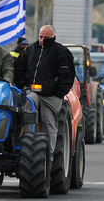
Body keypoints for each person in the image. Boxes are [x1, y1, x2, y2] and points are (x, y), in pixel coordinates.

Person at [14, 24, 75, 154]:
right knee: (28, 110)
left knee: (49, 124)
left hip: (50, 96)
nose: (42, 40)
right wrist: (23, 85)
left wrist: (58, 93)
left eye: (45, 38)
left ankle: (49, 155)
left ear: (53, 37)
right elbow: (19, 67)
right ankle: (28, 145)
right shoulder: (30, 50)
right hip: (32, 92)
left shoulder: (61, 52)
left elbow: (67, 75)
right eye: (40, 37)